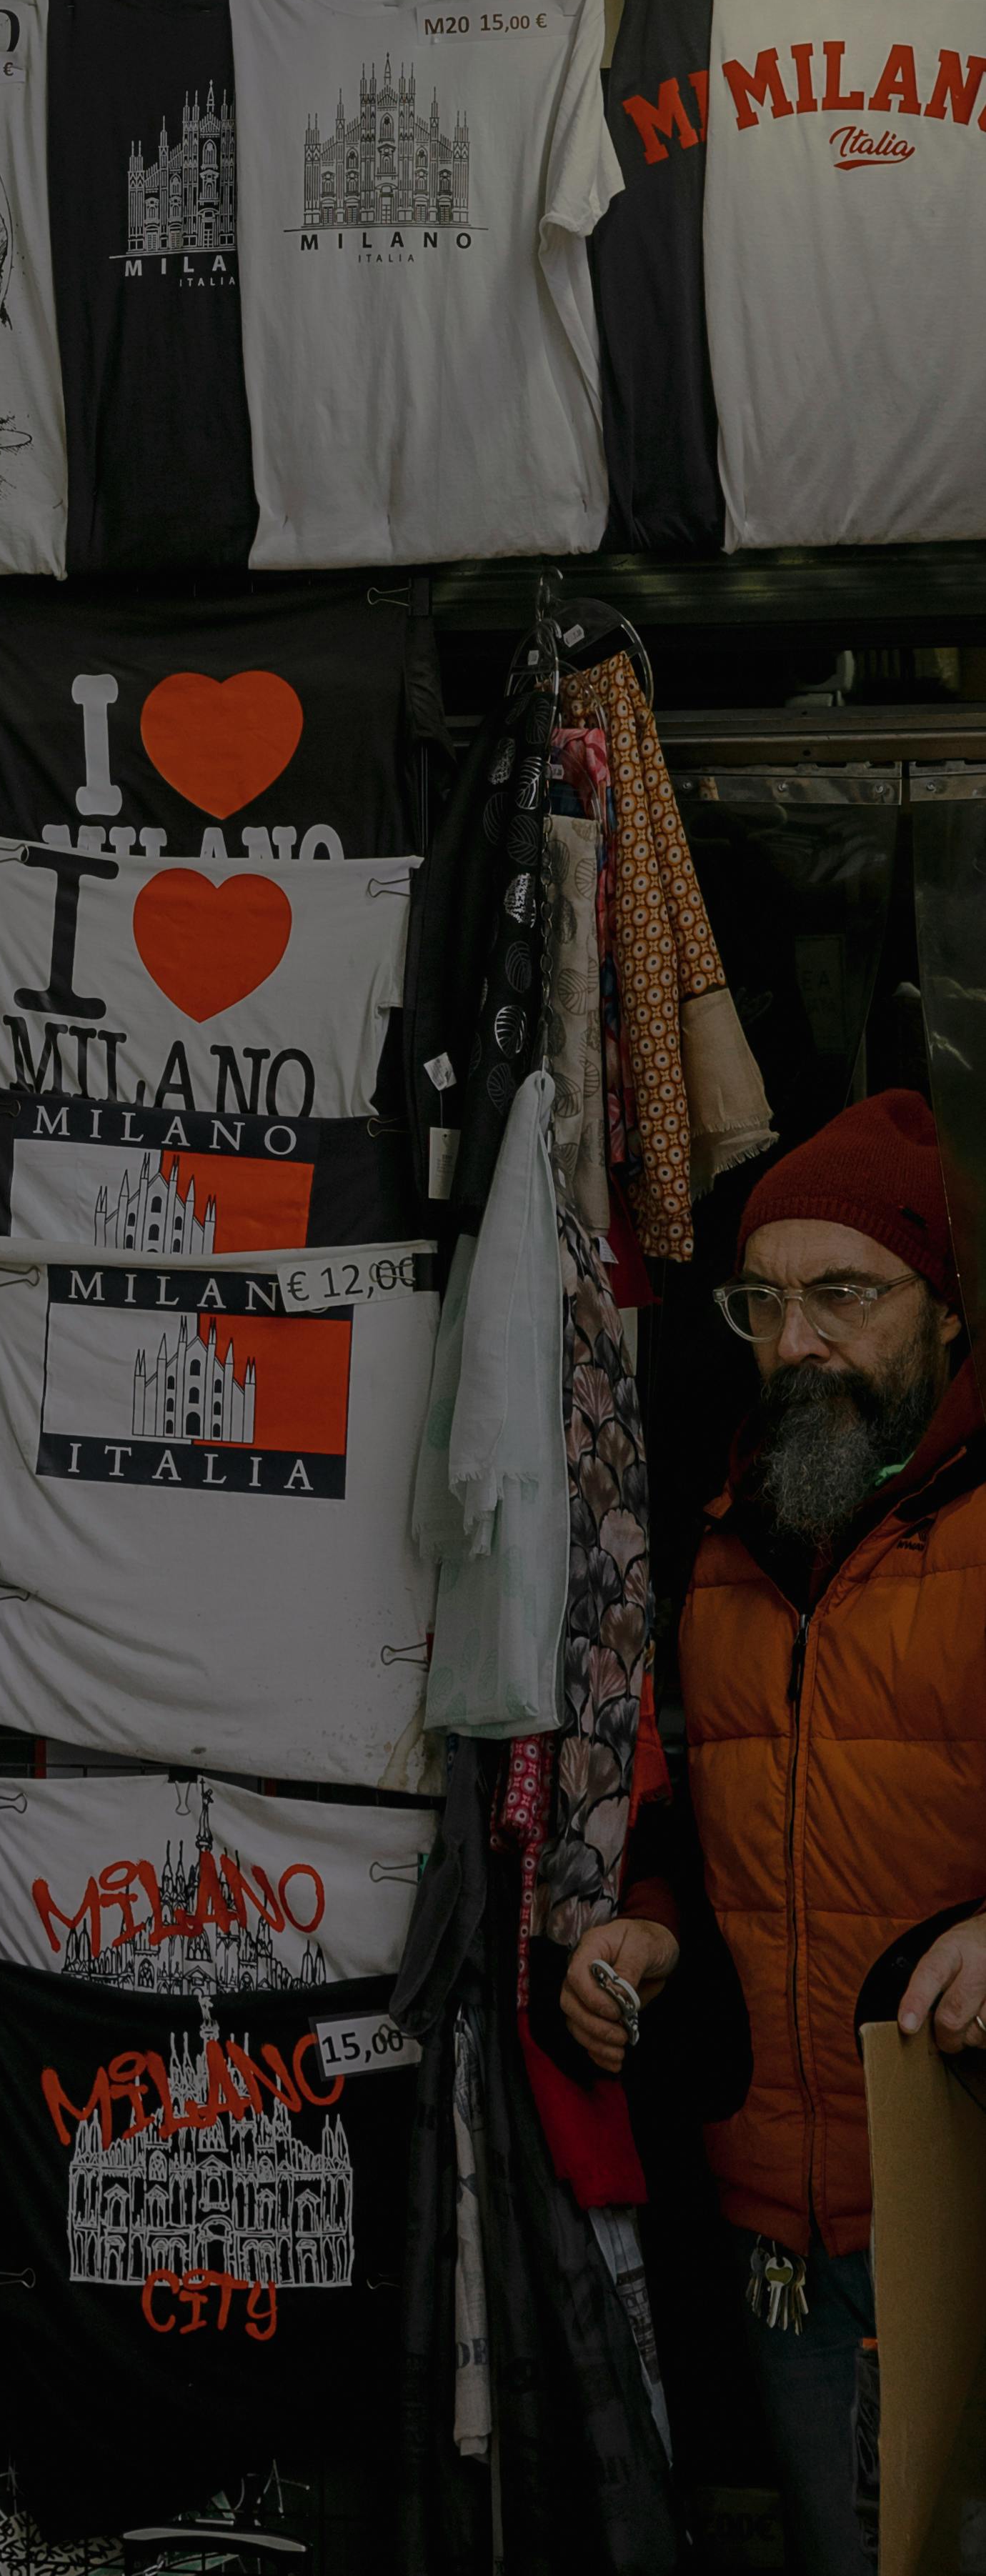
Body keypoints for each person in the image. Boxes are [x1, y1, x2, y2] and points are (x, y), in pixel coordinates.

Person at [560, 1094, 986, 2576]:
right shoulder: (721, 1547)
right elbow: (687, 1820)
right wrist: (652, 1927)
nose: (794, 1342)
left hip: (967, 2206)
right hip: (777, 2232)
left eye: (844, 1296)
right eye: (766, 1300)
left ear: (943, 1308)